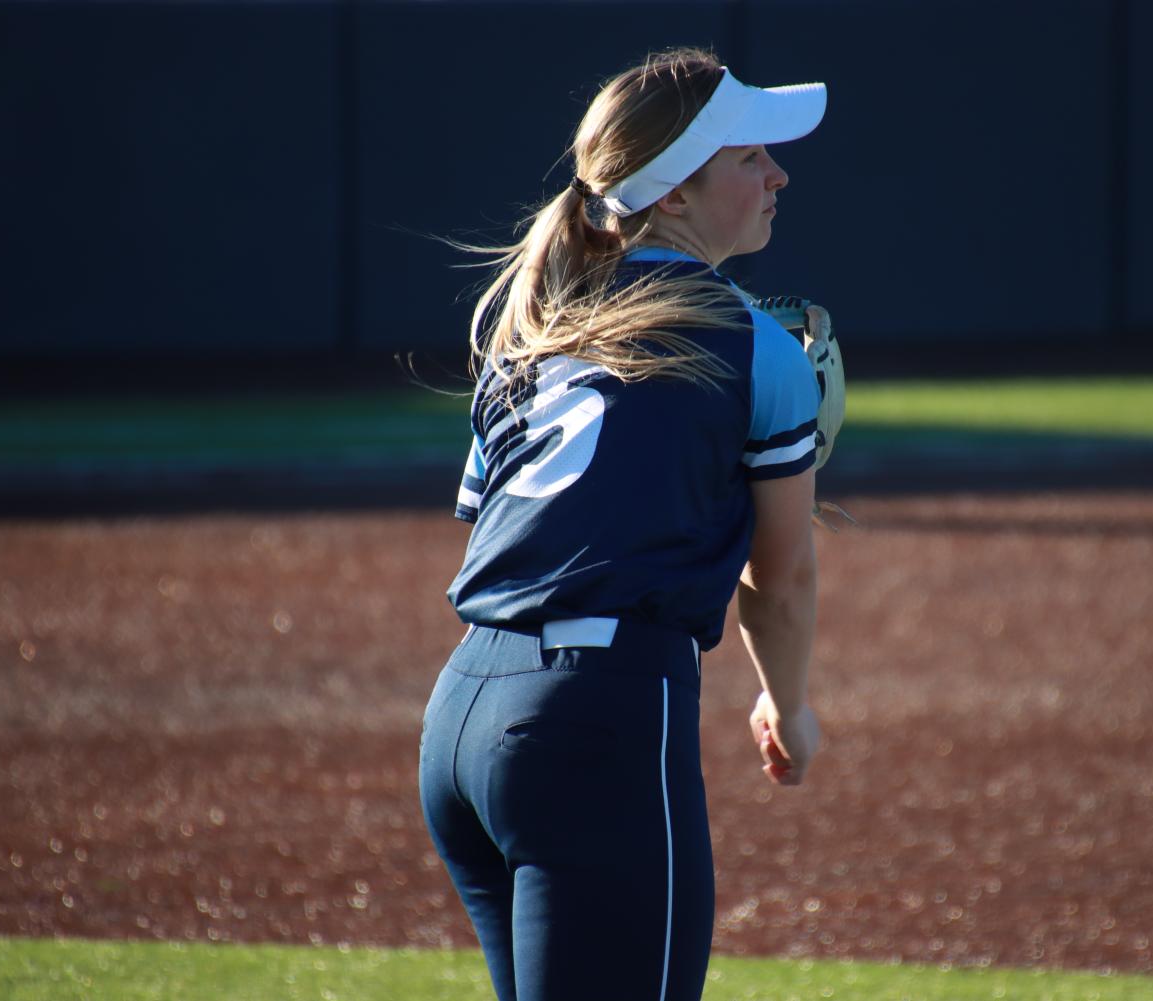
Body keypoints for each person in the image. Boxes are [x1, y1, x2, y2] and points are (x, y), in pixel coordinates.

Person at [417, 47, 828, 1001]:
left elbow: (510, 522)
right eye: (747, 157)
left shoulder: (535, 325)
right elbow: (782, 572)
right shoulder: (750, 343)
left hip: (464, 716)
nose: (777, 173)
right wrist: (788, 704)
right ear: (674, 195)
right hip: (594, 720)